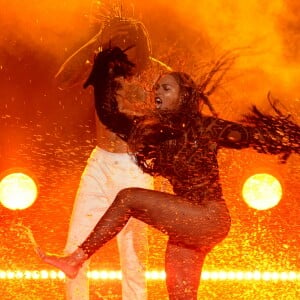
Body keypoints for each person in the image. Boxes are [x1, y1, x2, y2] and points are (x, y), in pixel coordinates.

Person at [37, 47, 300, 299]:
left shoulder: (204, 127)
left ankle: (76, 259)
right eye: (156, 88)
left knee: (129, 198)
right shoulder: (152, 130)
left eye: (165, 88)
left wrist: (290, 137)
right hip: (186, 226)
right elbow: (110, 116)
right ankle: (76, 259)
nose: (156, 92)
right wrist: (104, 69)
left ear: (184, 96)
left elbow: (252, 136)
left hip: (208, 217)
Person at [55, 16, 169, 300]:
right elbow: (62, 80)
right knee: (76, 246)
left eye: (129, 41)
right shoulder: (102, 66)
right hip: (99, 162)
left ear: (143, 44)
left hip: (136, 169)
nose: (121, 48)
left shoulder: (159, 74)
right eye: (116, 42)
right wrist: (95, 42)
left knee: (133, 254)